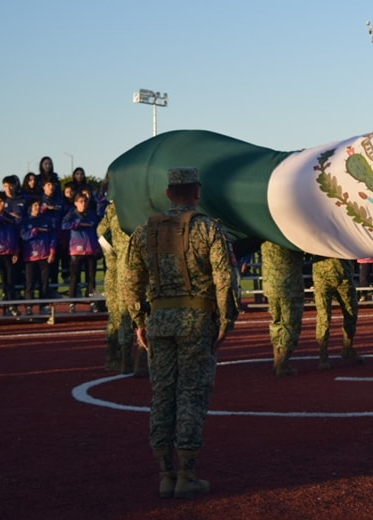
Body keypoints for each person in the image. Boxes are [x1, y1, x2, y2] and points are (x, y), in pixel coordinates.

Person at [122, 167, 238, 500]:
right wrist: (226, 320)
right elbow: (224, 280)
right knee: (191, 394)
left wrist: (138, 320)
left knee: (162, 395)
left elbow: (129, 281)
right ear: (197, 192)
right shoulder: (209, 229)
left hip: (159, 322)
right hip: (196, 321)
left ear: (170, 193)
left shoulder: (146, 231)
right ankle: (187, 473)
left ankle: (164, 473)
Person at [97, 198, 136, 374]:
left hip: (115, 273)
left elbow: (102, 239)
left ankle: (116, 359)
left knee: (118, 317)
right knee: (127, 316)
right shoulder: (133, 218)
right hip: (125, 273)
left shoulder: (110, 222)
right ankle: (131, 360)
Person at [260, 241, 304, 376]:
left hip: (271, 285)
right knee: (290, 323)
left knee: (276, 321)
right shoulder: (289, 235)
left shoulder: (266, 235)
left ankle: (277, 360)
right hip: (289, 285)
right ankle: (283, 364)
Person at [310, 256, 363, 370]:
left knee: (351, 311)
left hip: (344, 275)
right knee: (323, 316)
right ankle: (323, 353)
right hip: (322, 277)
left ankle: (348, 348)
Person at [61, 192, 101, 310]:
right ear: (75, 203)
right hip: (76, 251)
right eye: (80, 202)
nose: (83, 204)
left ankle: (92, 302)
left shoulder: (92, 215)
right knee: (74, 278)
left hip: (90, 250)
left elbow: (98, 230)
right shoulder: (71, 215)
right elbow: (64, 225)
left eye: (84, 201)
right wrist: (75, 224)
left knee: (91, 278)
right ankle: (72, 303)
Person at [19, 197, 56, 316]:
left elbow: (53, 237)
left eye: (39, 206)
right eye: (35, 206)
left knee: (44, 283)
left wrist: (52, 252)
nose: (37, 208)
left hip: (44, 256)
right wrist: (33, 232)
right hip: (30, 257)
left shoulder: (46, 220)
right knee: (29, 283)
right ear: (30, 207)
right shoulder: (25, 221)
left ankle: (44, 306)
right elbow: (23, 236)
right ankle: (29, 306)